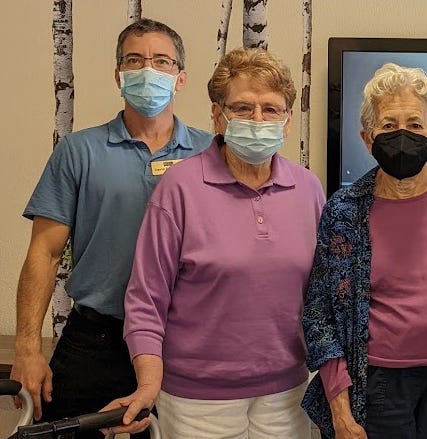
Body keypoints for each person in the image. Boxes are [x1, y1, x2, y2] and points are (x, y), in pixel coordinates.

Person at [99, 47, 325, 437]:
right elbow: (146, 299)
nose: (258, 120)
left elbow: (322, 294)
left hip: (287, 394)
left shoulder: (307, 188)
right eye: (242, 108)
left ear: (288, 123)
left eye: (271, 110)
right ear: (218, 116)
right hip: (196, 401)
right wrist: (148, 384)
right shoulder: (180, 188)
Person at [11, 18, 211, 436]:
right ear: (119, 75)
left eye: (161, 61)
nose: (147, 70)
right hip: (96, 339)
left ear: (181, 78)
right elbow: (44, 254)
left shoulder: (211, 153)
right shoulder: (78, 150)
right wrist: (27, 347)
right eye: (134, 60)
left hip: (186, 342)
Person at [301, 63, 427, 439]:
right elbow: (319, 312)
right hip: (374, 387)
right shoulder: (344, 210)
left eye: (414, 125)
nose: (402, 135)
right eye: (388, 125)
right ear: (367, 138)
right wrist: (339, 408)